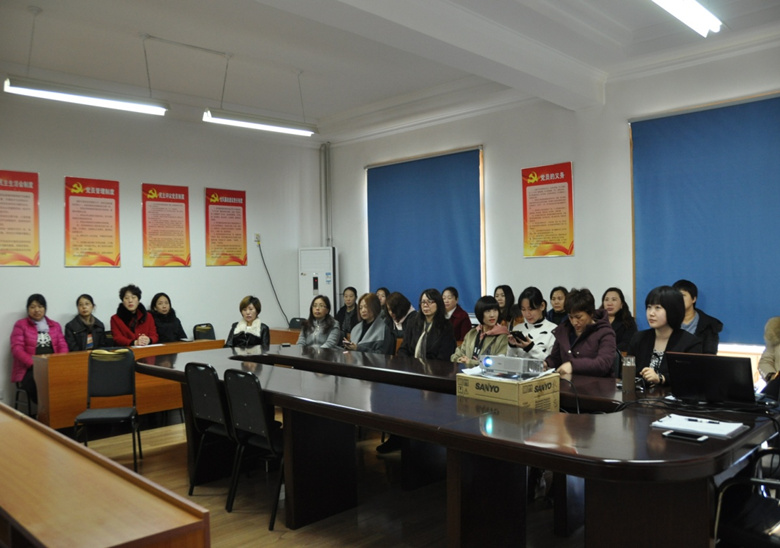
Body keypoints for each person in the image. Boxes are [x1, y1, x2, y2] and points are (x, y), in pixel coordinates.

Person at [627, 285, 702, 386]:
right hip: (639, 394)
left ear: (673, 310)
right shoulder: (639, 338)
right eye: (649, 307)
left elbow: (690, 377)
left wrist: (661, 378)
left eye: (657, 308)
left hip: (672, 395)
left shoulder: (690, 343)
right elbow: (628, 372)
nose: (651, 313)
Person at [545, 288, 617, 376]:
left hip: (597, 383)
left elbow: (603, 364)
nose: (574, 322)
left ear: (591, 313)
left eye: (578, 317)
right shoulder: (564, 330)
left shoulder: (605, 332)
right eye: (571, 317)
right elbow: (555, 358)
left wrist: (573, 365)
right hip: (567, 382)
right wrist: (546, 363)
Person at [11, 294, 68, 404]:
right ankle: (45, 410)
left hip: (53, 365)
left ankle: (61, 410)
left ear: (45, 308)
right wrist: (35, 363)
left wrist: (58, 362)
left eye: (40, 306)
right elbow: (17, 349)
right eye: (32, 307)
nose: (37, 310)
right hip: (30, 369)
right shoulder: (21, 325)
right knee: (38, 381)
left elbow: (63, 346)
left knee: (69, 378)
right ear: (28, 309)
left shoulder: (55, 325)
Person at [398, 289, 456, 360]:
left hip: (434, 365)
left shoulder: (446, 327)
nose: (425, 305)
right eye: (423, 302)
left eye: (430, 302)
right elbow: (403, 349)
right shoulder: (413, 322)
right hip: (411, 364)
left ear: (438, 304)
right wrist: (408, 363)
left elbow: (444, 356)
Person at [451, 296, 509, 366]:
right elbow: (456, 355)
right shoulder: (472, 333)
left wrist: (470, 362)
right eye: (488, 311)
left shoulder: (503, 337)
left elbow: (498, 363)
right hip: (466, 372)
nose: (492, 315)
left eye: (495, 310)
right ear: (480, 313)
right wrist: (460, 359)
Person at [672, 279, 723, 355]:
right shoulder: (667, 322)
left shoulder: (709, 325)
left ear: (693, 299)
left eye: (683, 295)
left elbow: (710, 355)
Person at [508, 287, 558, 360]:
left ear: (542, 306)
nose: (527, 314)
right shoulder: (517, 328)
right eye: (523, 309)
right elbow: (509, 360)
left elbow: (553, 362)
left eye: (531, 309)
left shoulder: (554, 330)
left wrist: (530, 348)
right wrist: (512, 346)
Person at [600, 287, 637, 353]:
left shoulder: (628, 322)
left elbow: (627, 344)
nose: (609, 303)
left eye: (614, 300)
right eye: (606, 300)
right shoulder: (596, 320)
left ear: (621, 305)